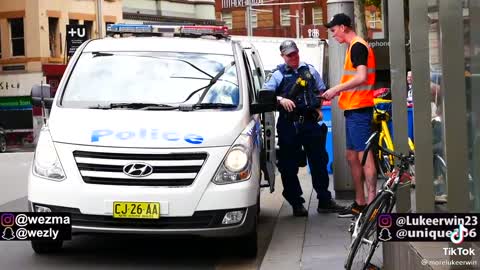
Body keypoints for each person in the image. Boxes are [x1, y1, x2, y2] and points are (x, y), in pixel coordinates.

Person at [263, 40, 345, 217]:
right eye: (289, 55)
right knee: (288, 166)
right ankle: (296, 203)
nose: (293, 57)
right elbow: (265, 95)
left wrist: (318, 108)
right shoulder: (277, 74)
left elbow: (321, 91)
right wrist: (280, 99)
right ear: (283, 56)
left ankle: (324, 200)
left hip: (310, 123)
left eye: (295, 53)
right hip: (288, 125)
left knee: (319, 162)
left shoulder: (310, 70)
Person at [322, 13, 377, 218]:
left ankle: (371, 206)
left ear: (343, 27)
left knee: (364, 157)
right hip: (353, 109)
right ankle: (360, 202)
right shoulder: (353, 47)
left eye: (334, 29)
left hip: (360, 110)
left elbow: (362, 77)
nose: (333, 34)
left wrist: (336, 89)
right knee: (352, 156)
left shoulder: (358, 46)